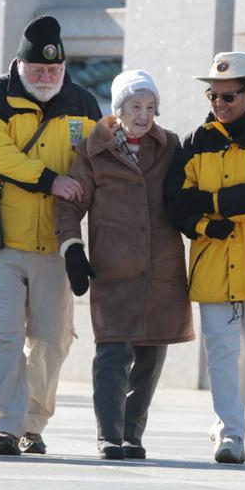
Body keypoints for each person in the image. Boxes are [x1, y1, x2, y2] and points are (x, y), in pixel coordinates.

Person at [0, 15, 101, 456]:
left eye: (54, 71)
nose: (46, 78)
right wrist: (49, 180)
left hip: (55, 245)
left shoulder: (83, 103)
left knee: (51, 340)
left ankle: (33, 423)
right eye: (38, 70)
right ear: (19, 65)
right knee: (4, 334)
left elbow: (100, 165)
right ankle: (3, 426)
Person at [54, 69, 193, 460]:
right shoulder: (93, 151)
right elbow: (69, 205)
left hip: (161, 265)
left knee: (150, 354)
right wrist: (72, 250)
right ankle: (109, 435)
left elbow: (185, 193)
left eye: (150, 107)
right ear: (118, 110)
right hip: (113, 267)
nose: (144, 115)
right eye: (136, 107)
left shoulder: (169, 147)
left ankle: (132, 434)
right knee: (113, 352)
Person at [163, 52, 245, 464]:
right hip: (212, 260)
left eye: (228, 96)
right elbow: (175, 202)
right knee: (220, 351)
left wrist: (212, 204)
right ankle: (231, 433)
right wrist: (206, 225)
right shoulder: (193, 141)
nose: (219, 104)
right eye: (213, 96)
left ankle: (232, 418)